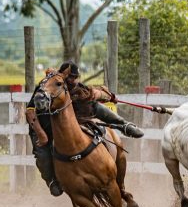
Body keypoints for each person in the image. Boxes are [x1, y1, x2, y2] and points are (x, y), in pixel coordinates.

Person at [26, 61, 144, 196]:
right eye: (71, 77)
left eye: (76, 77)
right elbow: (30, 112)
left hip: (66, 123)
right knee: (42, 153)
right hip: (43, 126)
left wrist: (109, 96)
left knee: (93, 105)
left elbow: (93, 93)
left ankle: (124, 125)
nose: (74, 81)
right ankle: (52, 180)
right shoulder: (48, 85)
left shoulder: (75, 87)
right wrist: (41, 134)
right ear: (63, 75)